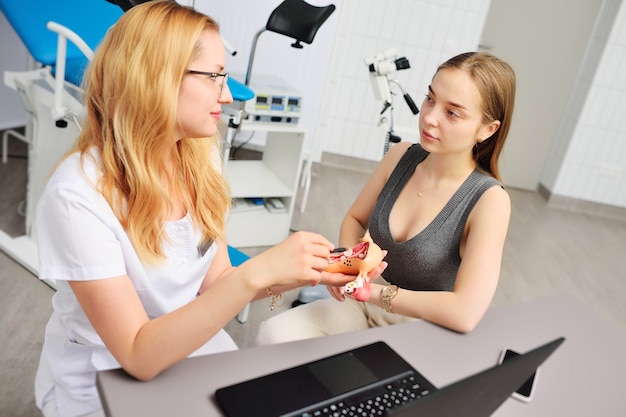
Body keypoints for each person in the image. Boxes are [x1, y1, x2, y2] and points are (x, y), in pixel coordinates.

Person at [33, 2, 359, 416]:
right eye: (215, 77)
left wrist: (309, 269)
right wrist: (261, 270)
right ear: (157, 78)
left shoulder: (198, 155)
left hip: (188, 340)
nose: (227, 94)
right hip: (104, 377)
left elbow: (217, 281)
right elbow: (137, 354)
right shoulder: (77, 196)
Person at [256, 51, 515, 345]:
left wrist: (372, 291)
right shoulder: (399, 156)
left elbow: (465, 313)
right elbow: (355, 218)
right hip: (364, 308)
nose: (429, 117)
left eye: (452, 113)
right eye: (430, 99)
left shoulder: (489, 200)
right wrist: (351, 267)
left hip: (423, 328)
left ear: (487, 129)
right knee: (273, 334)